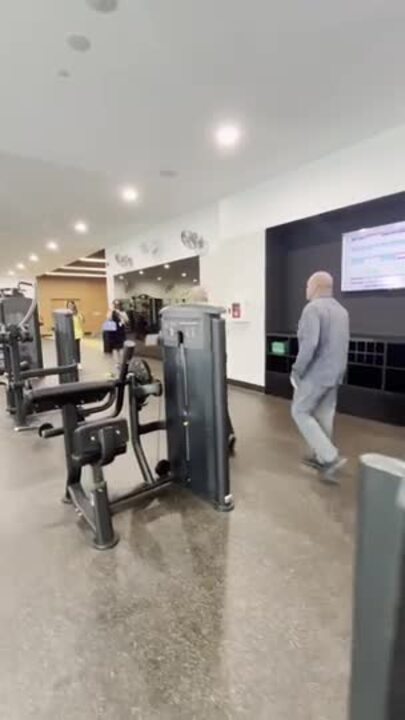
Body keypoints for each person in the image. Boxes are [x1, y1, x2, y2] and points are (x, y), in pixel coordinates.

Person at [291, 271, 350, 483]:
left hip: (316, 373)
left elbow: (310, 344)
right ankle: (322, 458)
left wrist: (297, 370)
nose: (306, 290)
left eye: (307, 286)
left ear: (315, 287)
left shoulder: (312, 309)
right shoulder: (342, 311)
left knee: (299, 411)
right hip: (335, 373)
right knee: (324, 414)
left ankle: (330, 456)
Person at [188, 285, 236, 454]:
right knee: (219, 399)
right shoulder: (213, 314)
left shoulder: (195, 316)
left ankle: (211, 438)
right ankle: (227, 433)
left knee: (204, 402)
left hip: (202, 363)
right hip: (218, 359)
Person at [107, 300, 129, 371]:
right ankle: (117, 363)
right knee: (115, 349)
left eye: (118, 304)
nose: (116, 306)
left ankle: (122, 362)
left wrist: (120, 314)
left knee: (121, 348)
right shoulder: (111, 312)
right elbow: (108, 319)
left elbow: (127, 320)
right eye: (115, 304)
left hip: (121, 332)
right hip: (113, 332)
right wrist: (112, 312)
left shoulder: (122, 312)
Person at [66, 300, 84, 370]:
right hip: (69, 334)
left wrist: (80, 316)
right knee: (70, 349)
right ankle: (71, 362)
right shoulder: (66, 314)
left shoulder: (77, 313)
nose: (70, 306)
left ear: (74, 305)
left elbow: (82, 321)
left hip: (77, 334)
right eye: (69, 305)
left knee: (76, 349)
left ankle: (78, 363)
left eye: (71, 304)